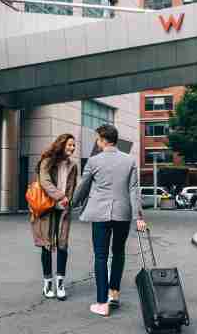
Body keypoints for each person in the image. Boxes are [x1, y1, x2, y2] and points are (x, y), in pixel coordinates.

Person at [72, 124, 147, 317]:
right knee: (119, 253)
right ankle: (114, 294)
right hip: (123, 213)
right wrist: (137, 216)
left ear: (103, 140)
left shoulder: (94, 161)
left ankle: (101, 302)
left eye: (97, 139)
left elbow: (83, 186)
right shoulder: (129, 160)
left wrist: (72, 203)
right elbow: (133, 190)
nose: (97, 142)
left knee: (100, 256)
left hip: (100, 213)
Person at [30, 134, 78, 301]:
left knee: (63, 245)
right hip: (47, 208)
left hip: (63, 210)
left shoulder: (73, 165)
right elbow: (45, 182)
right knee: (47, 245)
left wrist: (68, 201)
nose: (72, 148)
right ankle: (47, 283)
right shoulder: (47, 161)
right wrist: (60, 196)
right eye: (70, 145)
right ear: (61, 144)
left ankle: (60, 283)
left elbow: (72, 187)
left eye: (74, 145)